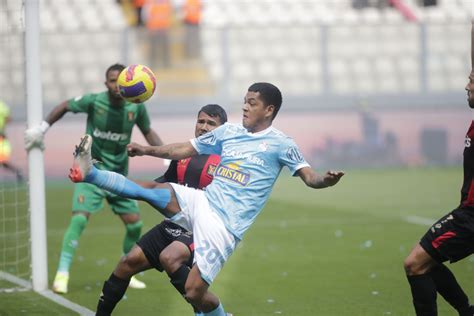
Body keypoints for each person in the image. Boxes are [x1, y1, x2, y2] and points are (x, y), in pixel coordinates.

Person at [69, 82, 344, 315]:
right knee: (150, 189)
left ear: (269, 110)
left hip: (224, 226)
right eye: (244, 102)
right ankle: (90, 173)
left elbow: (310, 177)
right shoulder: (229, 132)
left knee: (194, 292)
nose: (245, 107)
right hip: (203, 200)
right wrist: (146, 149)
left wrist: (326, 181)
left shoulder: (282, 144)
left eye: (252, 103)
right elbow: (182, 149)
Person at [24, 63, 163, 294]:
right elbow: (65, 105)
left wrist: (166, 156)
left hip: (118, 177)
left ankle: (127, 270)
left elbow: (148, 132)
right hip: (90, 173)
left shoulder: (135, 108)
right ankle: (63, 272)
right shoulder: (94, 101)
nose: (116, 85)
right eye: (111, 80)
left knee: (135, 224)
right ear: (105, 83)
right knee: (79, 220)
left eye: (119, 80)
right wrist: (42, 128)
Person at [95, 104, 227, 315]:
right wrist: (128, 189)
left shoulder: (226, 160)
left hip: (201, 229)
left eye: (211, 124)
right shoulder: (184, 155)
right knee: (127, 263)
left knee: (171, 257)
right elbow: (164, 184)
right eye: (200, 121)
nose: (203, 127)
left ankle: (206, 312)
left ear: (223, 129)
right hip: (174, 224)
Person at [403, 22, 474, 316]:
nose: (466, 85)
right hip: (467, 212)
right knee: (424, 263)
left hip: (471, 216)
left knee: (415, 264)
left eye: (472, 80)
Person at [0, 99, 23, 181]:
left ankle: (17, 171)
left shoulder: (2, 106)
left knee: (2, 161)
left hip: (1, 138)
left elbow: (8, 119)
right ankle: (17, 171)